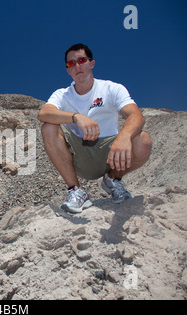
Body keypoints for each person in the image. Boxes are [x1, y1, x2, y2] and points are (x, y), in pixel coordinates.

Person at [37, 43, 152, 213]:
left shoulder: (112, 88)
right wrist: (77, 117)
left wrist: (124, 137)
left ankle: (112, 179)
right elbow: (44, 113)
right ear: (68, 70)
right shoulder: (62, 94)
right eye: (71, 63)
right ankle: (76, 191)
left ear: (92, 63)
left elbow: (136, 115)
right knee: (48, 127)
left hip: (111, 154)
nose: (77, 66)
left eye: (82, 60)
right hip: (79, 155)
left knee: (143, 141)